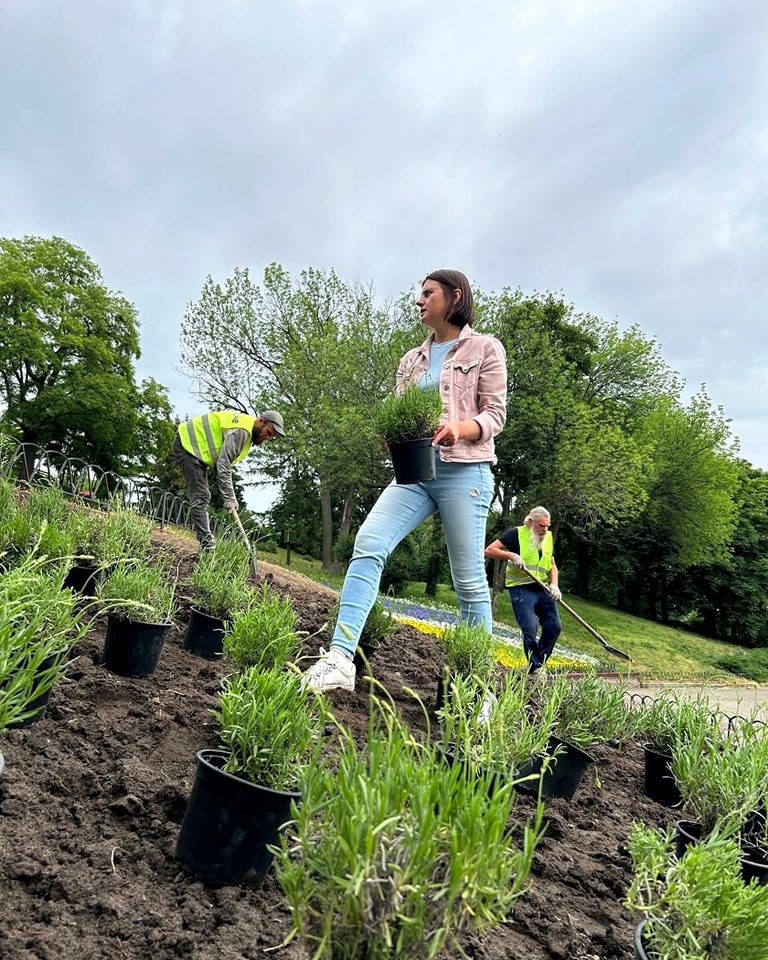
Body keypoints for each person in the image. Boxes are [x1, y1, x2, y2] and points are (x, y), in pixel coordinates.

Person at [302, 269, 507, 692]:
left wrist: (458, 427)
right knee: (369, 543)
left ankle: (477, 690)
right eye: (420, 294)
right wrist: (391, 437)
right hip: (415, 473)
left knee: (468, 581)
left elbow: (495, 415)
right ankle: (340, 659)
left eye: (428, 294)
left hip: (464, 471)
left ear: (454, 297)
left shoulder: (485, 348)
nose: (420, 301)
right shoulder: (410, 361)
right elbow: (401, 412)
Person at [172, 409, 284, 551]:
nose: (267, 437)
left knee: (203, 495)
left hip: (195, 450)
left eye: (271, 437)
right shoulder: (242, 431)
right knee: (200, 496)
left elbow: (222, 462)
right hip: (188, 445)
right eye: (268, 432)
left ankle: (207, 543)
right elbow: (223, 464)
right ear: (261, 422)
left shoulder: (247, 432)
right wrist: (230, 498)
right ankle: (207, 546)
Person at [484, 506, 562, 676]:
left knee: (554, 627)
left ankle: (537, 664)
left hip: (542, 587)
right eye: (541, 526)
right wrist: (511, 556)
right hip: (521, 588)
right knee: (530, 626)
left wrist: (554, 584)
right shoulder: (515, 534)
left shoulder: (548, 537)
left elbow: (552, 565)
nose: (545, 529)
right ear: (530, 522)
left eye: (547, 526)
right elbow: (489, 550)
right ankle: (535, 667)